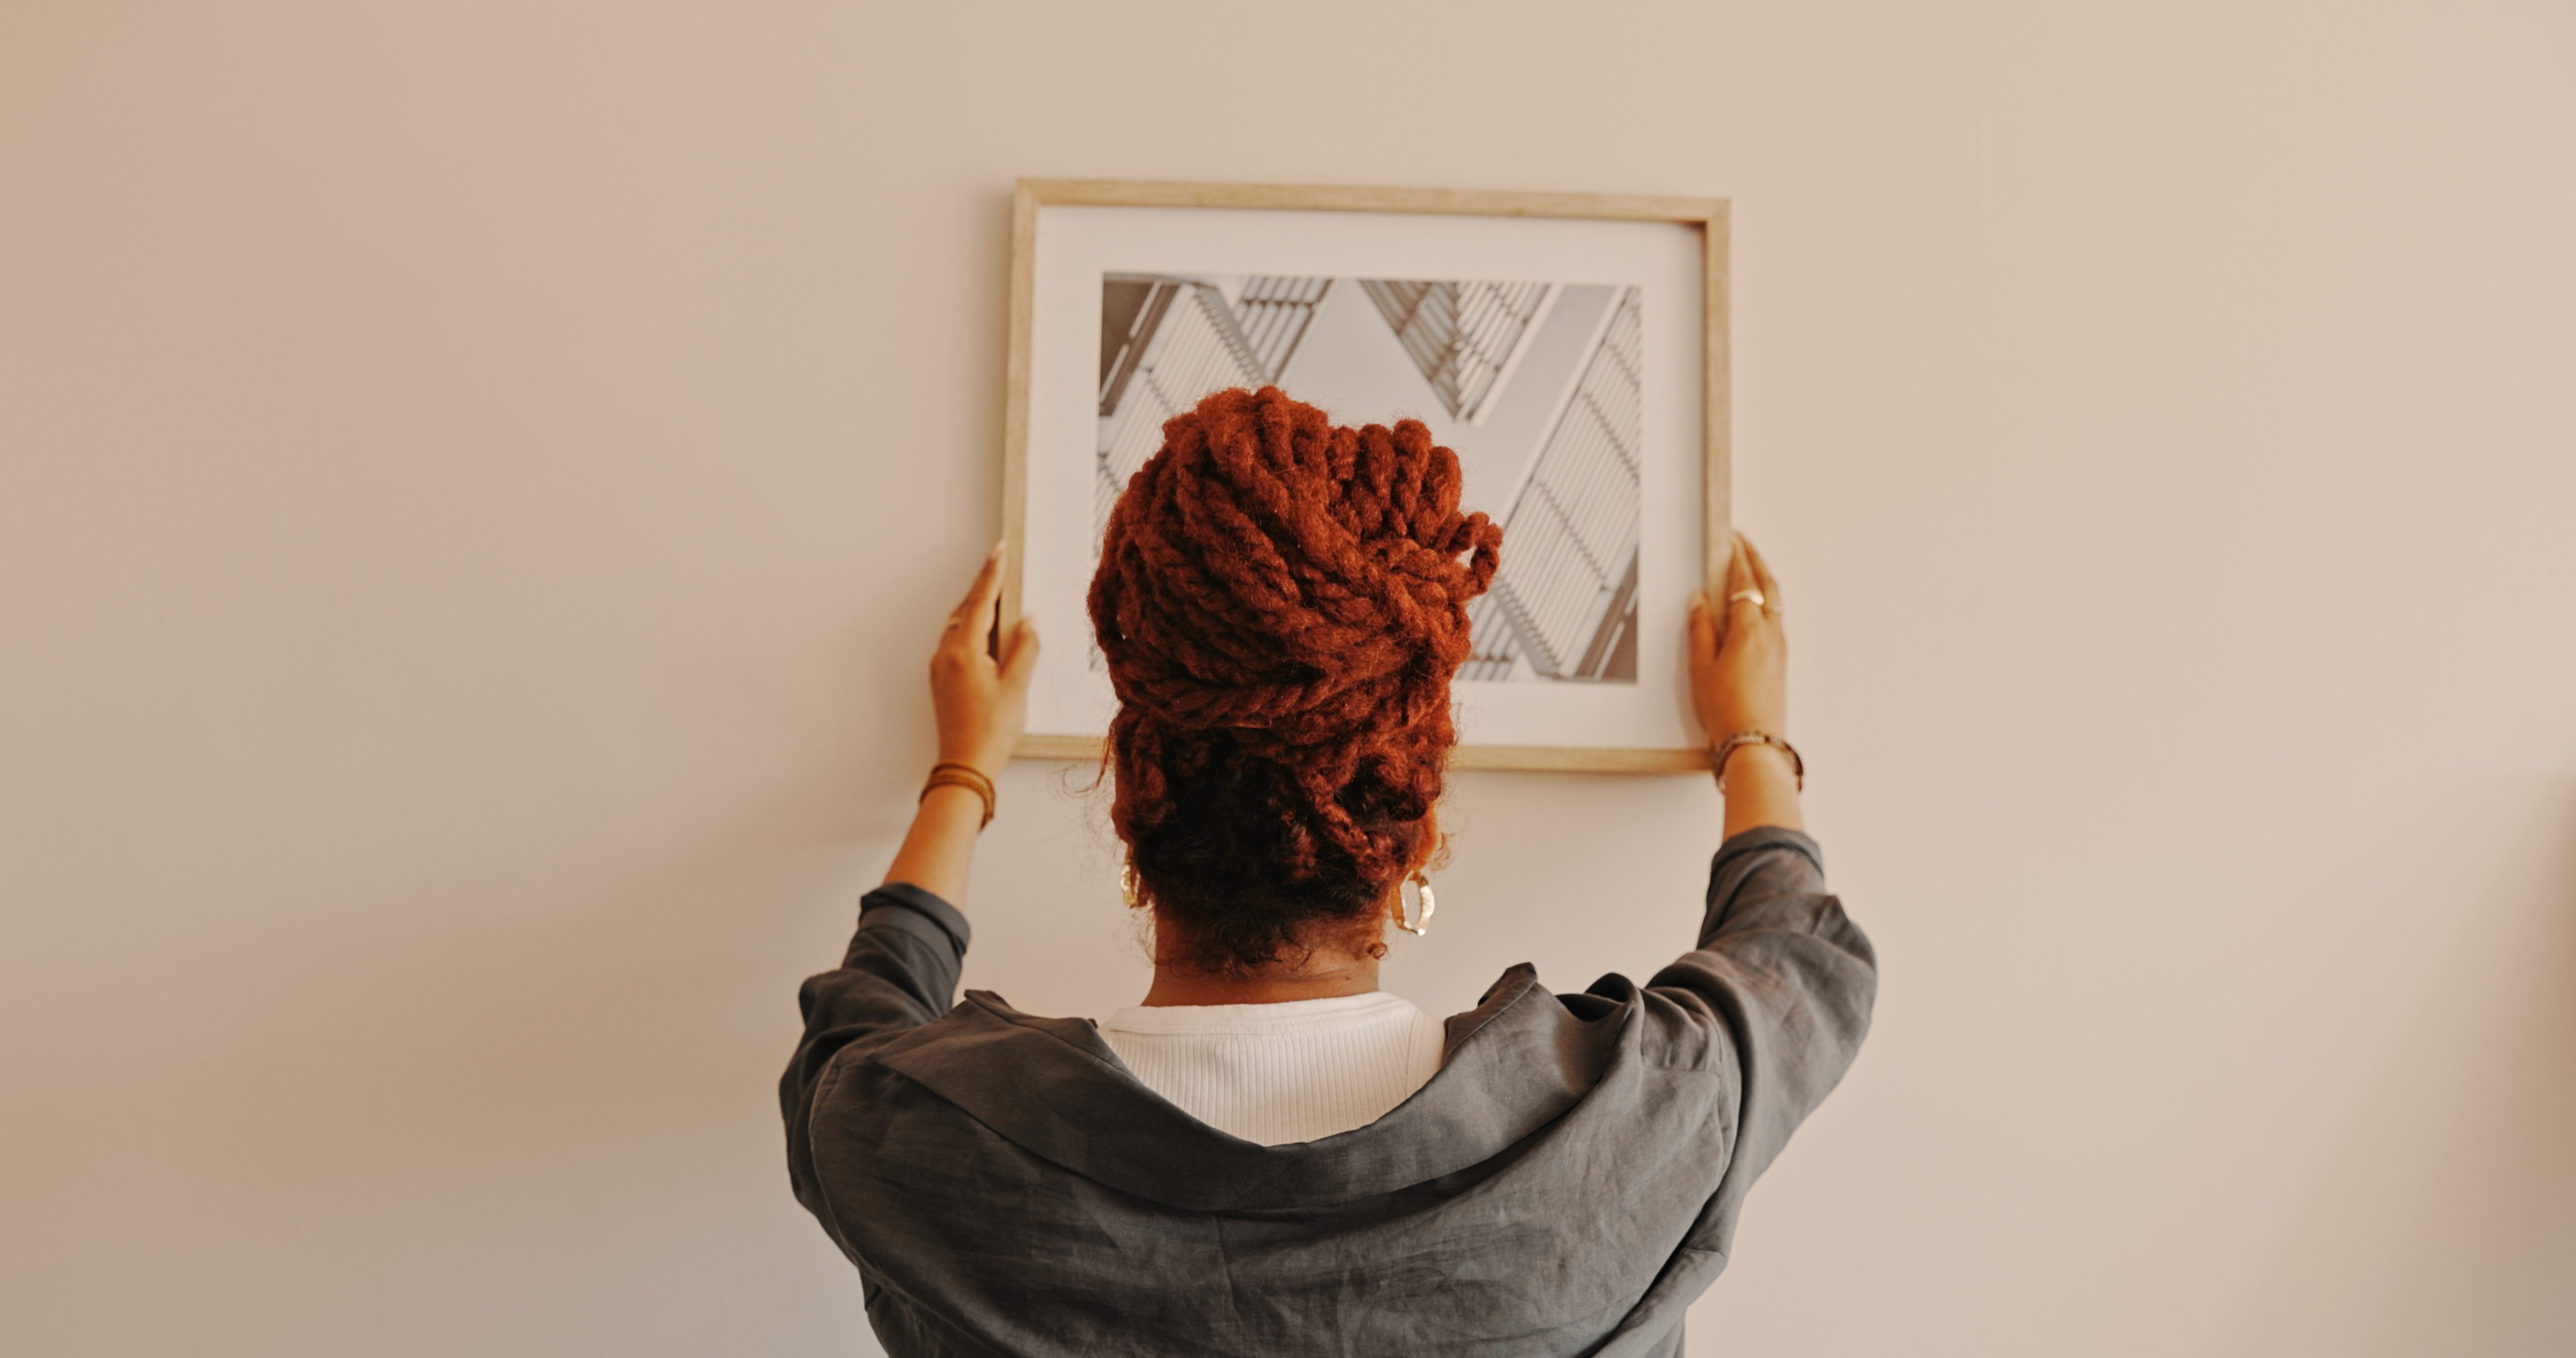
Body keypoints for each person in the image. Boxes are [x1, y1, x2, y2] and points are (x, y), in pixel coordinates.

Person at [782, 385, 1876, 1356]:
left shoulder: (902, 1137)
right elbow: (1797, 957)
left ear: (1132, 804)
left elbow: (858, 1015)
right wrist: (1752, 744)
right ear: (1417, 831)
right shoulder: (1645, 1122)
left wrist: (962, 773)